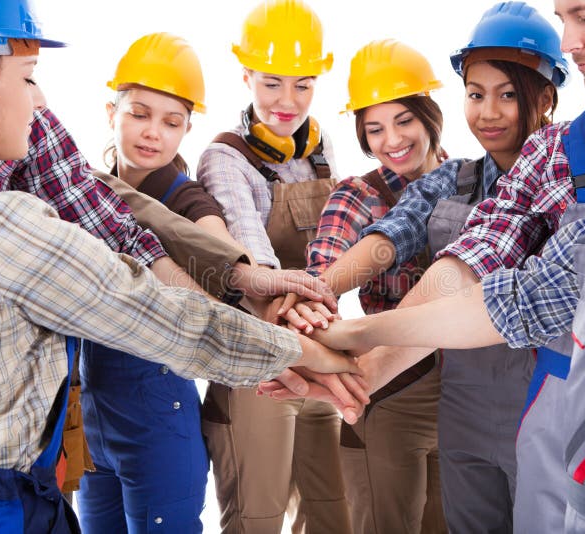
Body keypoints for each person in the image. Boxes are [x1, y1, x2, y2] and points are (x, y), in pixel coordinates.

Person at [0, 1, 360, 531]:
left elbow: (116, 216)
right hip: (3, 501)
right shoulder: (7, 230)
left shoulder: (39, 188)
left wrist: (240, 275)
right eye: (28, 78)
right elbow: (167, 319)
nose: (38, 101)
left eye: (172, 120)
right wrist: (307, 352)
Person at [300, 0, 585, 528]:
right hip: (544, 415)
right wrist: (356, 351)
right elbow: (481, 276)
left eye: (584, 17)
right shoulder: (553, 153)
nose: (568, 39)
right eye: (476, 95)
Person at [302, 24, 562, 531]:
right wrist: (316, 290)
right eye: (476, 94)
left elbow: (474, 268)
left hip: (545, 402)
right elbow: (390, 238)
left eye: (507, 95)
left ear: (544, 97)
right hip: (462, 404)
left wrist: (363, 344)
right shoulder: (455, 179)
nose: (488, 112)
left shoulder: (572, 167)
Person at [196, 0, 350, 532]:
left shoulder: (322, 146)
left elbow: (335, 240)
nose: (288, 102)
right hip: (254, 361)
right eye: (271, 83)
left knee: (333, 514)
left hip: (317, 347)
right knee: (257, 519)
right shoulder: (225, 158)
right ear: (245, 76)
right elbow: (255, 261)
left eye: (303, 84)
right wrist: (308, 325)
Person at [74, 32, 225, 533]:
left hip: (158, 414)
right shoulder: (81, 194)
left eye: (172, 121)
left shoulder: (185, 199)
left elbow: (217, 247)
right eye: (139, 113)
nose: (152, 132)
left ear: (187, 130)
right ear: (110, 112)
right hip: (93, 415)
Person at [305, 39, 447, 534]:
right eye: (374, 128)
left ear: (429, 115)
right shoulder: (359, 195)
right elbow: (323, 264)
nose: (392, 140)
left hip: (464, 394)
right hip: (390, 395)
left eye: (403, 120)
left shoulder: (472, 181)